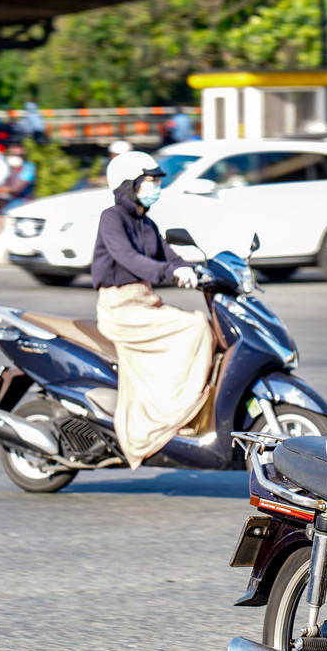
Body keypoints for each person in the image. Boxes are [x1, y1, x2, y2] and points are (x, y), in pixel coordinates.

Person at [92, 151, 213, 470]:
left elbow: (169, 255)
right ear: (129, 184)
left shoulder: (146, 223)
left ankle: (180, 406)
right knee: (195, 327)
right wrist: (170, 272)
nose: (157, 185)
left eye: (158, 180)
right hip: (120, 308)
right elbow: (128, 258)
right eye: (151, 180)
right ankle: (174, 411)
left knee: (201, 324)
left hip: (145, 302)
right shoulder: (112, 218)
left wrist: (200, 268)